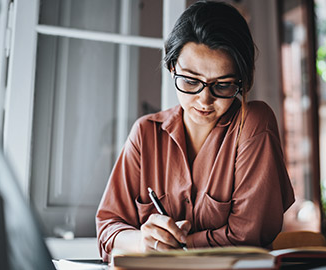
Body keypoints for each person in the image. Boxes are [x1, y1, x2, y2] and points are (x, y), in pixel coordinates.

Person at [96, 0, 295, 262]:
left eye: (222, 86)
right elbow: (108, 228)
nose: (204, 100)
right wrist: (142, 241)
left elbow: (247, 236)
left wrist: (174, 245)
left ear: (242, 81)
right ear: (172, 68)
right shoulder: (146, 134)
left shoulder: (253, 122)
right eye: (190, 81)